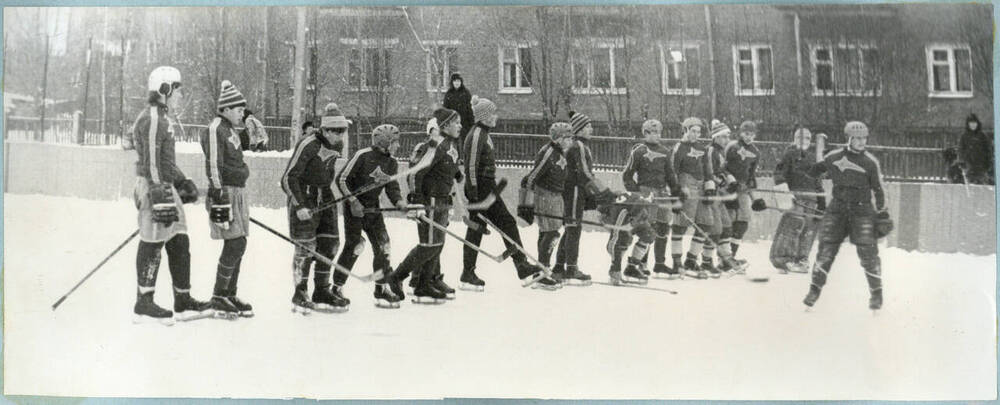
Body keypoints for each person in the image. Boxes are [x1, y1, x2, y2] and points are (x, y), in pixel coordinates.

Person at [128, 66, 210, 325]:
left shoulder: (163, 118)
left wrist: (181, 181)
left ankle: (183, 302)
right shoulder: (152, 118)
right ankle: (144, 303)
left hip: (164, 184)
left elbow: (164, 161)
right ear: (165, 89)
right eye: (177, 90)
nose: (180, 96)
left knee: (179, 240)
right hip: (154, 186)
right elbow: (152, 161)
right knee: (152, 241)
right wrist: (159, 191)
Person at [462, 96, 557, 290]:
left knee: (483, 228)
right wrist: (473, 192)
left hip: (486, 187)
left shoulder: (483, 133)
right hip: (481, 190)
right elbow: (471, 165)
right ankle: (516, 265)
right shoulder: (477, 134)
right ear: (485, 116)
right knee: (497, 225)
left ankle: (471, 272)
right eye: (493, 113)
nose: (496, 116)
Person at [803, 121, 892, 311]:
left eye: (864, 138)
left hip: (862, 212)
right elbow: (814, 172)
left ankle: (876, 294)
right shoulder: (834, 157)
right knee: (825, 250)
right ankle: (814, 290)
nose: (861, 142)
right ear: (849, 139)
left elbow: (879, 189)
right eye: (858, 138)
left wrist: (883, 213)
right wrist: (806, 163)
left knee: (868, 254)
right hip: (837, 210)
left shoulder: (869, 162)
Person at [382, 109, 465, 306]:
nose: (460, 126)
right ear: (444, 126)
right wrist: (416, 201)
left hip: (443, 201)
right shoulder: (435, 146)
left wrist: (458, 176)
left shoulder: (451, 145)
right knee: (428, 245)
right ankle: (396, 276)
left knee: (437, 244)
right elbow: (414, 174)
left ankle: (424, 284)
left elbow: (448, 169)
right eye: (457, 122)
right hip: (430, 201)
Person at [280, 103, 349, 314]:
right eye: (337, 132)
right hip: (304, 198)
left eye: (343, 131)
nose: (341, 136)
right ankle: (300, 293)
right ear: (326, 130)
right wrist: (299, 205)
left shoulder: (336, 146)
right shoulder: (308, 144)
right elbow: (287, 178)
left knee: (330, 244)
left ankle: (321, 290)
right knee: (306, 248)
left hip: (324, 198)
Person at [334, 123, 410, 306]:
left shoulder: (391, 163)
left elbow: (391, 186)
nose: (398, 146)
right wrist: (353, 202)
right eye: (395, 142)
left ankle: (381, 288)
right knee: (355, 246)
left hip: (373, 209)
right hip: (355, 209)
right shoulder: (363, 155)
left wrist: (399, 201)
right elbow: (341, 179)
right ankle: (336, 287)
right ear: (385, 143)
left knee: (384, 246)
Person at [201, 80, 253, 318]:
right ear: (226, 109)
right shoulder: (215, 129)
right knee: (234, 243)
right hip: (224, 193)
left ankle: (230, 293)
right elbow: (213, 164)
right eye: (239, 109)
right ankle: (219, 296)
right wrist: (219, 194)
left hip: (237, 192)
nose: (242, 113)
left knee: (239, 242)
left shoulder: (230, 129)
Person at [553, 111, 618, 282]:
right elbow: (585, 173)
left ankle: (559, 268)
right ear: (579, 130)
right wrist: (603, 192)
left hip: (574, 191)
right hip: (574, 191)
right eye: (588, 126)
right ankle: (571, 269)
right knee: (573, 229)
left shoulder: (578, 145)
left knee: (570, 228)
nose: (591, 129)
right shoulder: (579, 146)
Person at [621, 119, 683, 280]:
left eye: (659, 132)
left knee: (663, 228)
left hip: (662, 194)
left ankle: (660, 264)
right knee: (648, 228)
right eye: (654, 132)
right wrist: (637, 193)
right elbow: (627, 175)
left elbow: (670, 176)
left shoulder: (665, 151)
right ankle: (640, 263)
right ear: (645, 133)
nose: (657, 135)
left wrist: (676, 194)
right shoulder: (639, 151)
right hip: (646, 192)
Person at [518, 122, 573, 283]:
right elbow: (532, 177)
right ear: (558, 139)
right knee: (551, 233)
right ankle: (542, 271)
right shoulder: (549, 152)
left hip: (556, 196)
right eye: (568, 137)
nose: (571, 141)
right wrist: (525, 204)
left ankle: (541, 270)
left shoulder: (560, 152)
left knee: (548, 232)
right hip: (546, 196)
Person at [770, 127, 826, 274]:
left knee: (809, 228)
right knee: (793, 225)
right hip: (796, 196)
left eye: (807, 138)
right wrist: (785, 193)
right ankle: (783, 258)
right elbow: (779, 174)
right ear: (795, 139)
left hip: (811, 198)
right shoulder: (789, 155)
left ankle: (801, 258)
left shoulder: (813, 158)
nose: (804, 141)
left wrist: (821, 199)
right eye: (801, 138)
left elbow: (818, 180)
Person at [670, 117, 716, 279]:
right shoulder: (679, 148)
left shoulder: (702, 148)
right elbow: (672, 172)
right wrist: (676, 194)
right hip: (686, 187)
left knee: (706, 224)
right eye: (693, 131)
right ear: (685, 130)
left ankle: (691, 260)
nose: (696, 134)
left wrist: (710, 188)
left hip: (701, 187)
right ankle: (677, 262)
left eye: (698, 131)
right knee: (681, 225)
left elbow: (708, 171)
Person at [706, 120, 747, 276]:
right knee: (715, 229)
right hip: (712, 194)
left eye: (727, 136)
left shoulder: (722, 152)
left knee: (727, 227)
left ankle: (726, 260)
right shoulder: (711, 151)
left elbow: (724, 170)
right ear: (715, 137)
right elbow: (710, 173)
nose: (726, 140)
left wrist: (732, 182)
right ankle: (706, 261)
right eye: (723, 137)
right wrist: (722, 182)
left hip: (721, 194)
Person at [723, 120, 767, 266]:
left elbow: (751, 176)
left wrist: (755, 198)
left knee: (742, 223)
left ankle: (731, 257)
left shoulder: (755, 152)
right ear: (741, 133)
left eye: (752, 134)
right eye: (746, 133)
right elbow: (722, 167)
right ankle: (721, 256)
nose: (749, 137)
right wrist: (729, 181)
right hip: (727, 188)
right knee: (727, 222)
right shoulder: (732, 146)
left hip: (742, 190)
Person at [602, 192, 656, 285]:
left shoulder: (643, 208)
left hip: (634, 213)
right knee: (622, 240)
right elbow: (613, 243)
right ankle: (614, 269)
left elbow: (642, 218)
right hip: (624, 214)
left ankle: (631, 268)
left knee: (649, 235)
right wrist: (616, 268)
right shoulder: (621, 212)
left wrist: (633, 224)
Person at [957, 113, 994, 185]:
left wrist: (988, 163)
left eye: (974, 123)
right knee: (970, 188)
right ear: (968, 124)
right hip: (968, 166)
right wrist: (961, 162)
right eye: (971, 123)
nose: (973, 125)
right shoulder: (964, 136)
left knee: (982, 187)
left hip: (981, 166)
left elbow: (988, 150)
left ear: (977, 124)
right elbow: (960, 150)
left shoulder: (983, 136)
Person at [442, 73, 474, 146]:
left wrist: (471, 123)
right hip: (452, 123)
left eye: (458, 81)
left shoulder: (466, 93)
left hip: (464, 123)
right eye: (455, 81)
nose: (457, 83)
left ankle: (463, 157)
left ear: (461, 82)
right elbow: (445, 110)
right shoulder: (449, 94)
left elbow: (469, 109)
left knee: (464, 143)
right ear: (452, 82)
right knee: (452, 143)